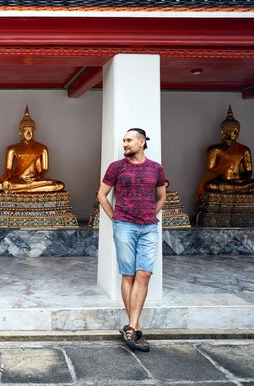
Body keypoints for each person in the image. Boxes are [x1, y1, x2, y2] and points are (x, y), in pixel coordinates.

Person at [97, 128, 166, 352]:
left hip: (148, 227)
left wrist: (151, 214)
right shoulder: (116, 167)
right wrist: (114, 217)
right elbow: (101, 194)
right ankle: (134, 329)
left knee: (144, 273)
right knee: (128, 274)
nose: (124, 144)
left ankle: (132, 326)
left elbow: (162, 195)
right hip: (124, 225)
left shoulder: (156, 168)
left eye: (129, 140)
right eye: (124, 140)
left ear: (142, 141)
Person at [196, 106, 254, 199]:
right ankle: (240, 190)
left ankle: (237, 189)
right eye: (231, 130)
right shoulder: (215, 149)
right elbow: (211, 172)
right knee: (208, 185)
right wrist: (222, 181)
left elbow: (249, 171)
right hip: (223, 183)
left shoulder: (244, 149)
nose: (234, 132)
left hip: (240, 183)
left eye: (237, 130)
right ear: (223, 131)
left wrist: (242, 181)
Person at [0, 106, 64, 193]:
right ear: (20, 132)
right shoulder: (12, 149)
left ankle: (25, 189)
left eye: (31, 129)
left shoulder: (42, 148)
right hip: (19, 180)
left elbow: (45, 169)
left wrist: (37, 177)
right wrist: (6, 179)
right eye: (25, 130)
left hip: (36, 180)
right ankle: (29, 189)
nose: (28, 132)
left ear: (34, 131)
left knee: (59, 185)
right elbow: (8, 169)